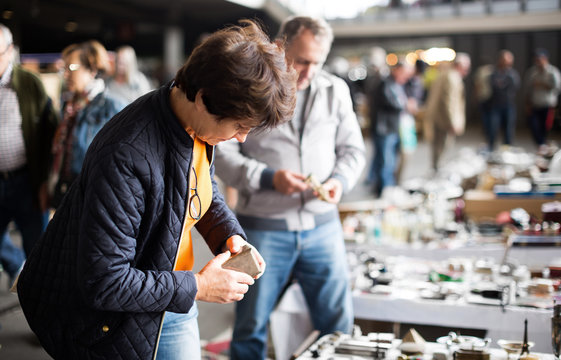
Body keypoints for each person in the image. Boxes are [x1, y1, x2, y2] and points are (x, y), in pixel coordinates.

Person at [17, 19, 297, 359]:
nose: (241, 138)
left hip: (171, 297)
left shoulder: (192, 120)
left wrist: (228, 235)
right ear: (204, 99)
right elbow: (105, 281)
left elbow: (198, 188)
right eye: (239, 126)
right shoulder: (126, 154)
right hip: (110, 325)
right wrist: (199, 286)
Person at [214, 16, 366, 359]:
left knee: (337, 323)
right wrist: (269, 178)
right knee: (250, 326)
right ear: (281, 47)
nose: (308, 71)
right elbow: (222, 150)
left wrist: (338, 182)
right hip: (263, 228)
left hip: (323, 228)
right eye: (301, 60)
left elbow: (353, 151)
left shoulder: (335, 91)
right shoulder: (250, 84)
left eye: (317, 62)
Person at [0, 23, 58, 283]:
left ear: (10, 51)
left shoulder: (29, 83)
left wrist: (45, 181)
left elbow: (50, 133)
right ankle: (17, 269)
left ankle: (44, 315)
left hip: (27, 181)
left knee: (39, 251)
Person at [48, 40, 126, 208]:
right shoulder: (69, 105)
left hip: (95, 192)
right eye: (64, 69)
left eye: (72, 68)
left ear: (92, 70)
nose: (66, 75)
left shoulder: (112, 107)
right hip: (67, 188)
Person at [369, 61, 415, 196]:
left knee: (388, 160)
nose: (406, 77)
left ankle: (384, 187)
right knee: (385, 162)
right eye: (404, 74)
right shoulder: (385, 83)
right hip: (384, 129)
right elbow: (392, 103)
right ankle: (385, 189)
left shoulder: (396, 84)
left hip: (391, 128)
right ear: (397, 70)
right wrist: (406, 105)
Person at [424, 53, 471, 172]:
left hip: (437, 118)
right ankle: (437, 171)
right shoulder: (452, 78)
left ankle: (436, 169)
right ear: (459, 66)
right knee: (441, 148)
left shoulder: (444, 75)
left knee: (438, 148)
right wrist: (452, 122)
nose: (467, 71)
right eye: (466, 68)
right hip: (443, 120)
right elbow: (449, 102)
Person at [523, 48, 561, 151]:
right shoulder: (532, 72)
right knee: (534, 127)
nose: (538, 62)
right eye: (536, 59)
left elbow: (557, 87)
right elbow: (528, 89)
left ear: (545, 59)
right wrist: (527, 104)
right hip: (535, 104)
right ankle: (541, 145)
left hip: (547, 105)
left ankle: (542, 146)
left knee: (545, 127)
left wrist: (543, 84)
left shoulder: (552, 72)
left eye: (540, 59)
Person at [488, 50, 520, 150]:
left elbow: (515, 87)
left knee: (508, 130)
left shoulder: (512, 74)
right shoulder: (494, 73)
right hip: (496, 105)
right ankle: (491, 148)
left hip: (508, 105)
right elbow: (493, 86)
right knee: (493, 128)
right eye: (504, 59)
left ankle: (506, 149)